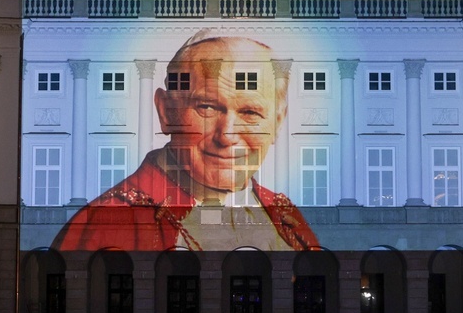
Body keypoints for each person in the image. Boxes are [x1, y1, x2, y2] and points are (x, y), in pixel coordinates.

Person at [53, 31, 319, 252]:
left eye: (250, 113)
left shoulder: (286, 216)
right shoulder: (105, 222)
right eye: (207, 107)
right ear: (167, 112)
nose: (226, 135)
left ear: (277, 123)